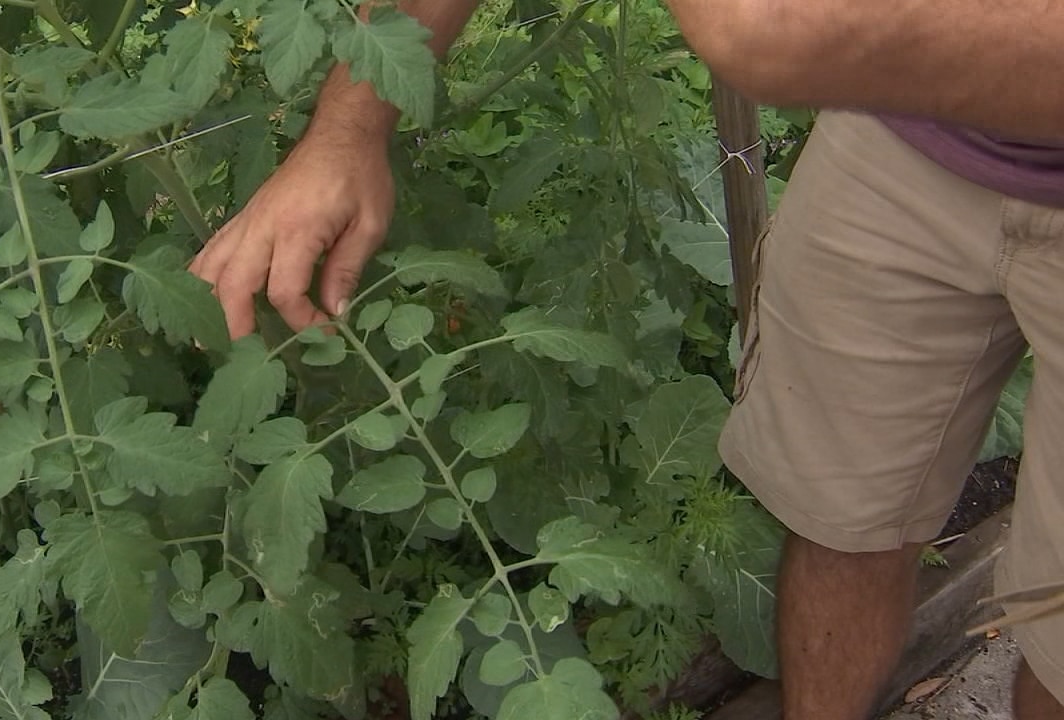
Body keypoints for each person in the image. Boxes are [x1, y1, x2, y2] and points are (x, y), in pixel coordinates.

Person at [187, 3, 1064, 719]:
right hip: (910, 135)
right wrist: (348, 128)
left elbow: (778, 26)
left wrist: (782, 28)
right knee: (842, 513)